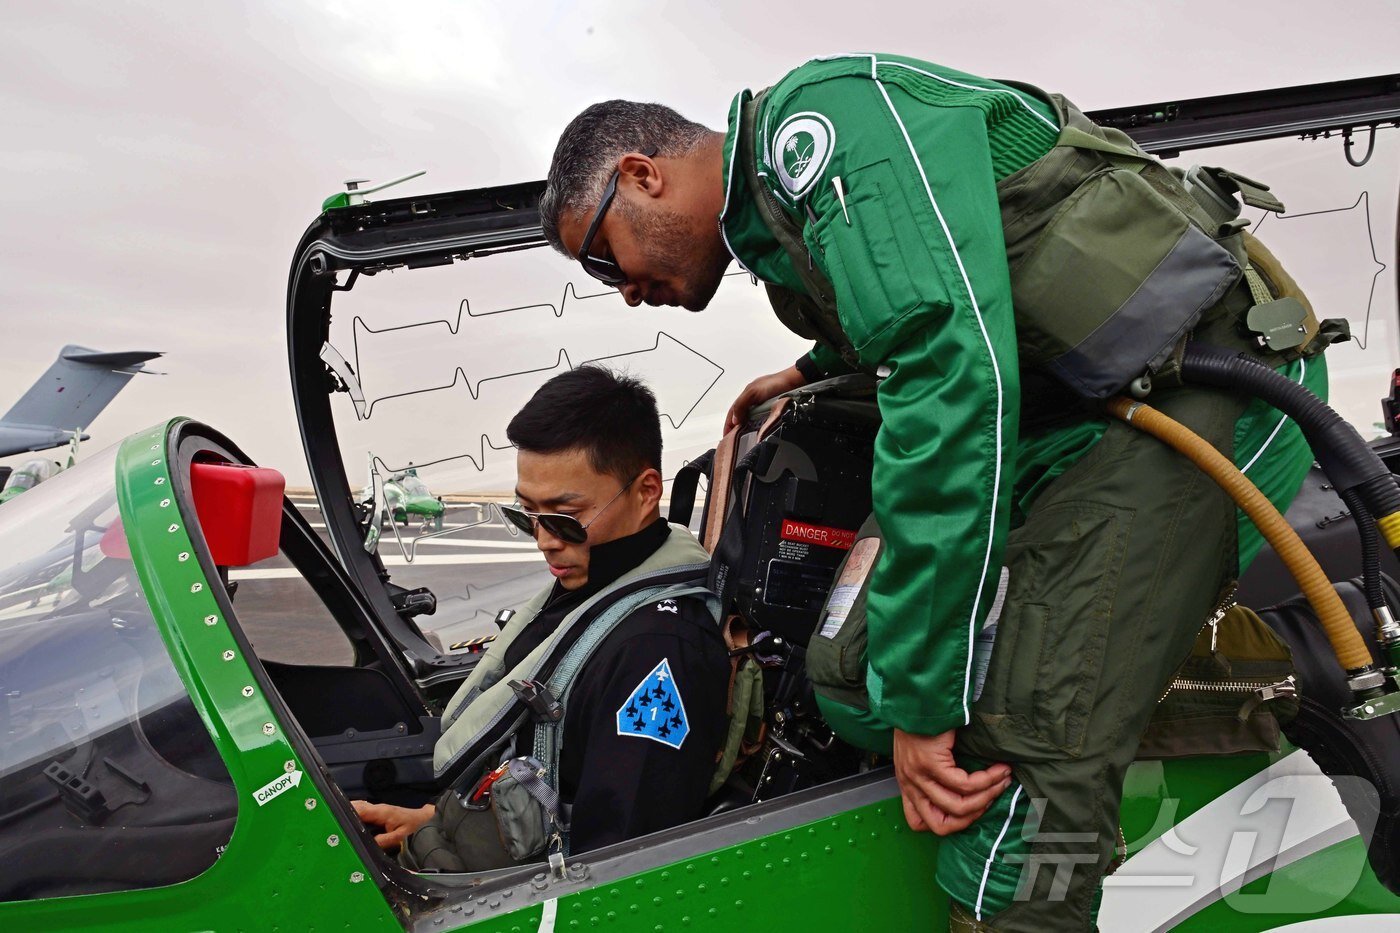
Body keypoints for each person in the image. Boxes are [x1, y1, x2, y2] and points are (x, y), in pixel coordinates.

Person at [537, 54, 1328, 930]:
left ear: (641, 175)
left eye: (604, 258)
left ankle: (1059, 778)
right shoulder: (779, 222)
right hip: (1065, 415)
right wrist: (806, 369)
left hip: (1209, 391)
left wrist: (926, 709)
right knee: (849, 675)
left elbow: (951, 378)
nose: (625, 294)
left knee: (1035, 726)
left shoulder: (822, 129)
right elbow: (936, 288)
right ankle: (1103, 675)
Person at [354, 366, 730, 869]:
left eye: (564, 517)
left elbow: (618, 868)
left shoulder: (657, 653)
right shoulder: (591, 590)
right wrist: (434, 822)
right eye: (527, 515)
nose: (544, 541)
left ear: (645, 493)